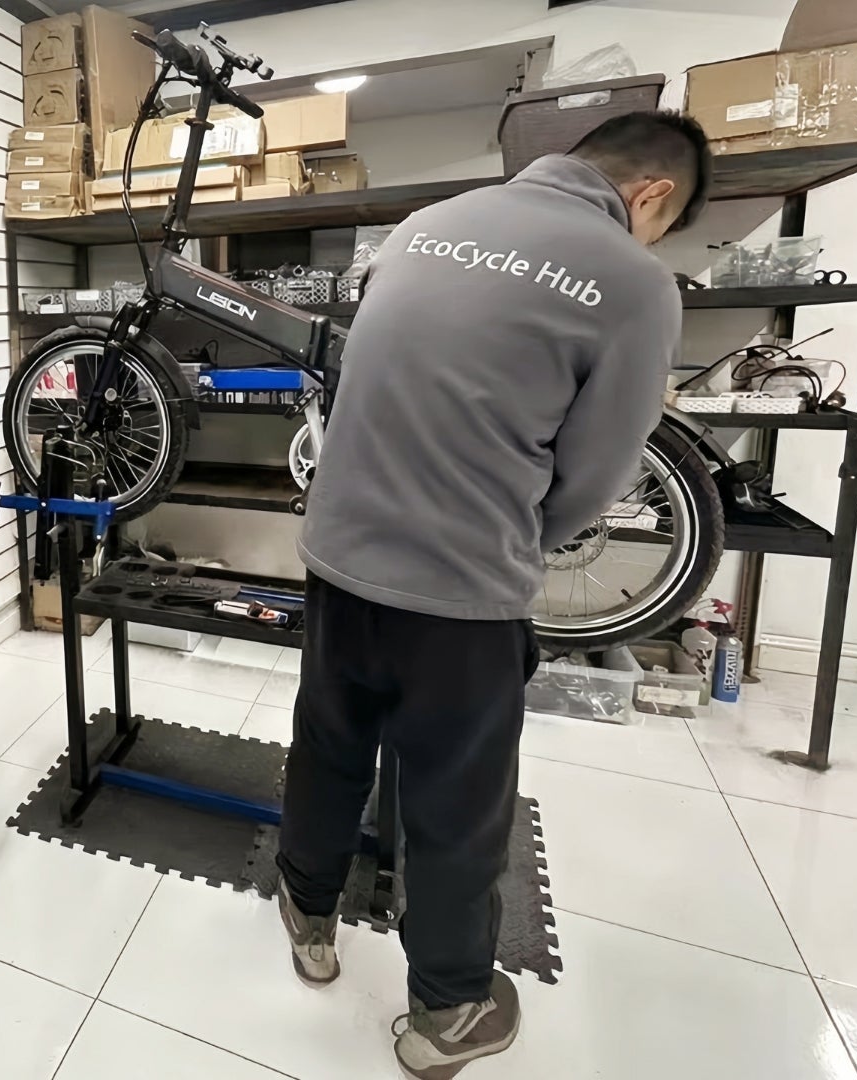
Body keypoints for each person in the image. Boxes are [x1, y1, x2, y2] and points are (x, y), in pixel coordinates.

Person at [274, 111, 712, 1078]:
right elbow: (601, 472)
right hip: (462, 585)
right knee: (457, 803)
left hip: (339, 551)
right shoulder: (635, 281)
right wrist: (511, 537)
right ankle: (449, 1009)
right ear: (652, 195)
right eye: (659, 223)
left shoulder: (428, 223)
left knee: (331, 742)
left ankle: (307, 912)